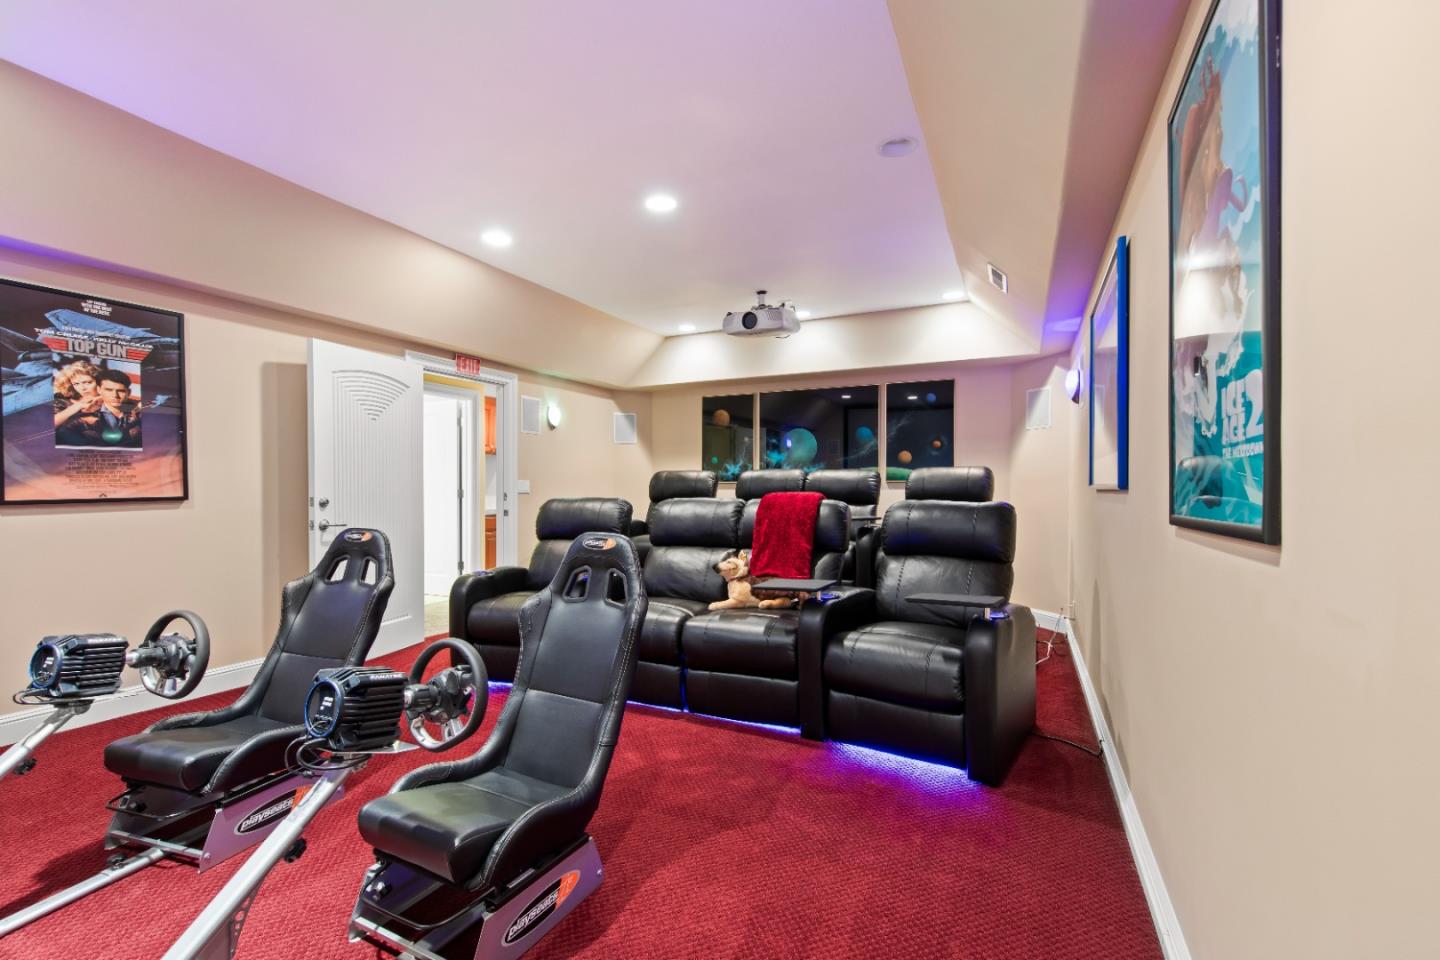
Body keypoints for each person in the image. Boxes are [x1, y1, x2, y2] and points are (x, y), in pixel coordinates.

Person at [80, 369, 143, 448]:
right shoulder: (85, 416)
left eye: (121, 391)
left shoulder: (140, 412)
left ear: (128, 393)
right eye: (109, 390)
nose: (115, 395)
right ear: (99, 390)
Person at [53, 359, 104, 447]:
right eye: (76, 384)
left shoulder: (110, 401)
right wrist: (78, 405)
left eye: (88, 382)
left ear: (99, 381)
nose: (82, 388)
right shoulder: (62, 401)